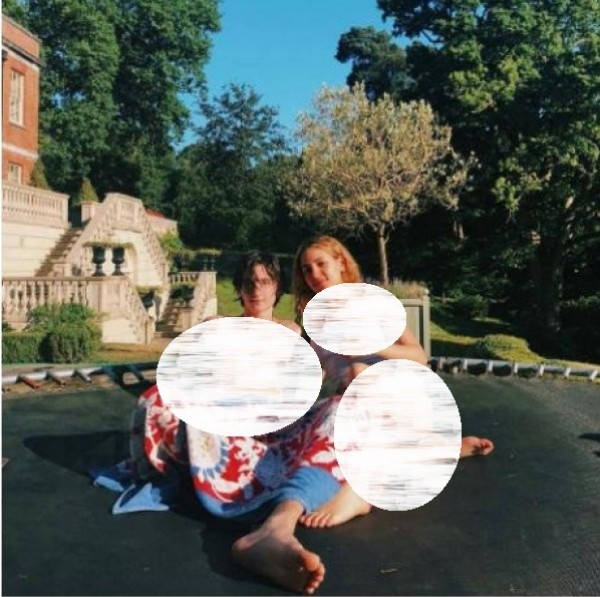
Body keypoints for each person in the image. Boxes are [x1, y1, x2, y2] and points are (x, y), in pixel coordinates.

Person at [125, 251, 344, 594]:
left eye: (265, 282)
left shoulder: (290, 331)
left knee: (340, 411)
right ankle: (269, 516)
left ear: (277, 288)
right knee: (155, 400)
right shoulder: (217, 325)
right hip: (223, 427)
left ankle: (276, 526)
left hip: (276, 429)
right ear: (239, 288)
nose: (257, 290)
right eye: (249, 282)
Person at [291, 234, 494, 529]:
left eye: (321, 264)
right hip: (356, 410)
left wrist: (374, 345)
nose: (314, 274)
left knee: (359, 371)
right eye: (307, 269)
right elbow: (318, 375)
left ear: (341, 262)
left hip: (401, 398)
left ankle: (359, 493)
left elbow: (419, 356)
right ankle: (438, 450)